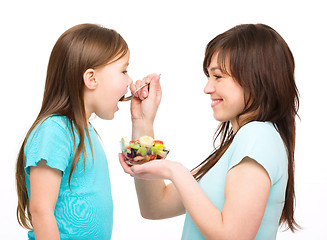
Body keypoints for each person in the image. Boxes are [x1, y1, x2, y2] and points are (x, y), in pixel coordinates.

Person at [120, 23, 300, 239]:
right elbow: (155, 207)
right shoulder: (237, 147)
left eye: (218, 76)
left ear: (256, 78)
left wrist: (175, 171)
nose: (207, 88)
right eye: (208, 76)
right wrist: (142, 121)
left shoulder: (258, 136)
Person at [15, 23, 159, 240]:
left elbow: (143, 176)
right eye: (124, 70)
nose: (130, 81)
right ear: (91, 79)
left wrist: (142, 120)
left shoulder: (86, 130)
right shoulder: (54, 131)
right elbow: (41, 212)